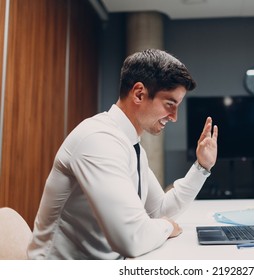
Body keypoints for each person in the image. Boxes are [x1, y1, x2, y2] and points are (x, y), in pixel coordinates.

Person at [27, 49, 218, 259]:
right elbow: (131, 238)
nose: (174, 117)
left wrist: (202, 167)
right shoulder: (98, 140)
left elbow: (160, 209)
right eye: (169, 104)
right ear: (138, 94)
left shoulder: (130, 144)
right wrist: (165, 227)